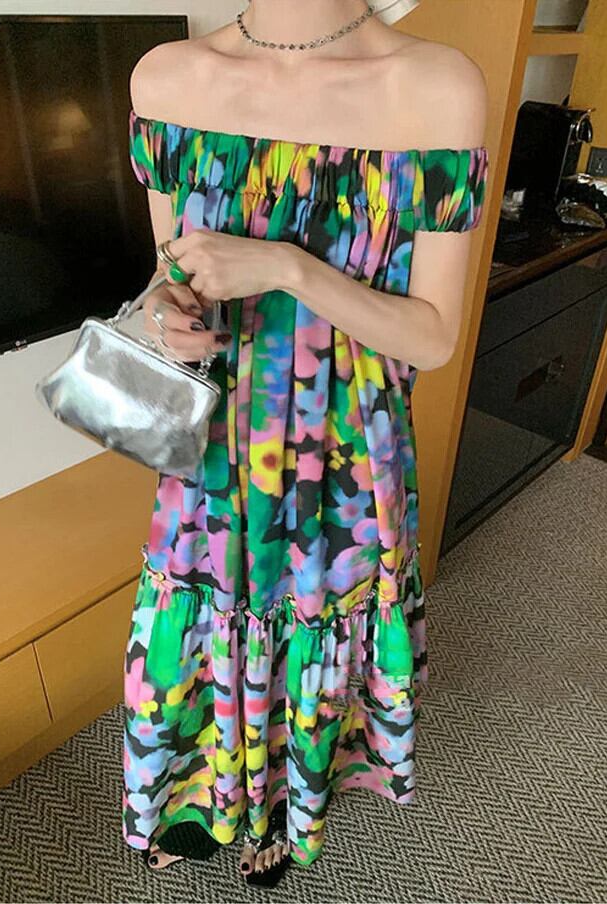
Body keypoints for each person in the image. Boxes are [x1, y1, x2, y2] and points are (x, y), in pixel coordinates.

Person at [123, 0, 488, 888]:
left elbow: (435, 336)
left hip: (347, 459)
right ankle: (214, 802)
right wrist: (163, 313)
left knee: (315, 627)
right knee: (206, 618)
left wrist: (288, 268)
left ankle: (282, 812)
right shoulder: (166, 79)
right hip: (217, 449)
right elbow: (171, 271)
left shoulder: (435, 87)